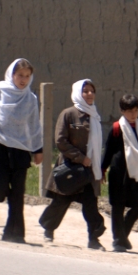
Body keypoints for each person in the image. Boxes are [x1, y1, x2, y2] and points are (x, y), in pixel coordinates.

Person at [0, 59, 43, 243]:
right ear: (12, 74)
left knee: (18, 193)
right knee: (1, 187)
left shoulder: (30, 99)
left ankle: (14, 233)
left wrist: (38, 148)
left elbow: (34, 125)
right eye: (20, 75)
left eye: (27, 76)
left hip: (20, 149)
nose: (23, 79)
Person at [39, 79, 108, 249]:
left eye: (92, 91)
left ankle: (94, 239)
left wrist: (99, 168)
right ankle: (48, 227)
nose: (90, 94)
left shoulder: (95, 116)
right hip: (71, 168)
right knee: (61, 202)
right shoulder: (69, 114)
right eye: (85, 91)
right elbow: (60, 141)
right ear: (78, 93)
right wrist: (79, 157)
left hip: (89, 171)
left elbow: (96, 147)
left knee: (91, 205)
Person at [101, 94, 138, 253]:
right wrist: (102, 169)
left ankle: (122, 234)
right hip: (119, 172)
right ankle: (118, 240)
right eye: (129, 111)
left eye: (136, 110)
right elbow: (108, 150)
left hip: (135, 172)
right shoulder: (117, 128)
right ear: (122, 111)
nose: (133, 114)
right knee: (118, 205)